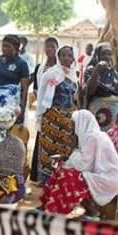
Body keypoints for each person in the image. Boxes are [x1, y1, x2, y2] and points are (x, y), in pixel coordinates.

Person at [40, 110, 118, 219]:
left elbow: (82, 165)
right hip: (105, 177)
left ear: (81, 123)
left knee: (69, 178)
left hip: (109, 179)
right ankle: (47, 206)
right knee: (65, 173)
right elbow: (84, 161)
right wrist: (66, 158)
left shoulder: (92, 138)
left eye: (74, 123)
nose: (72, 127)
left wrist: (69, 156)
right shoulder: (92, 136)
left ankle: (58, 211)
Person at [35, 45, 78, 185]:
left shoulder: (73, 75)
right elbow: (41, 96)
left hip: (68, 119)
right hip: (52, 118)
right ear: (58, 57)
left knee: (65, 149)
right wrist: (40, 116)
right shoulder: (51, 74)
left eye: (69, 55)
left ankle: (61, 179)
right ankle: (47, 179)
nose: (66, 58)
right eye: (63, 55)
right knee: (49, 149)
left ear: (73, 58)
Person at [29, 37, 60, 182]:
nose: (50, 50)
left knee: (55, 141)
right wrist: (42, 101)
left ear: (57, 48)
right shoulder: (39, 68)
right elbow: (36, 88)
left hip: (57, 109)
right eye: (47, 47)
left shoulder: (61, 69)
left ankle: (52, 176)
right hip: (43, 109)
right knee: (42, 139)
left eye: (53, 47)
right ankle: (39, 175)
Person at [0, 34, 30, 127]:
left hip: (9, 104)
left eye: (8, 46)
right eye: (3, 45)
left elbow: (24, 89)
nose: (4, 48)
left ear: (16, 48)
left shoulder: (22, 64)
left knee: (6, 130)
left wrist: (21, 110)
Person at [82, 42, 118, 131]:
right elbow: (89, 91)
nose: (107, 57)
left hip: (114, 113)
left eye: (109, 54)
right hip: (99, 111)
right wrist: (97, 71)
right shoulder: (91, 70)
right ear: (97, 55)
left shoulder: (114, 73)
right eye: (104, 53)